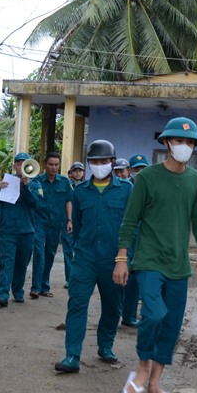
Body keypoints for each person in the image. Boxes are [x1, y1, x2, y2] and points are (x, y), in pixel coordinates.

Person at [114, 117, 197, 393]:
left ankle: (154, 386)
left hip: (178, 265)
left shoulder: (195, 181)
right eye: (179, 141)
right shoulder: (147, 178)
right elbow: (130, 221)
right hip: (148, 261)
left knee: (171, 324)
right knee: (155, 315)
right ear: (166, 143)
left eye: (189, 142)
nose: (184, 146)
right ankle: (141, 370)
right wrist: (122, 258)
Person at [55, 140, 133, 373]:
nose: (99, 165)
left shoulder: (127, 190)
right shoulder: (80, 192)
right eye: (94, 162)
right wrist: (82, 247)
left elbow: (132, 225)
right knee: (77, 304)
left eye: (103, 161)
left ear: (112, 162)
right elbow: (77, 225)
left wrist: (125, 258)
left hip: (114, 259)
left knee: (112, 306)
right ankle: (72, 356)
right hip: (86, 258)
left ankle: (105, 345)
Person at [0, 152, 43, 307]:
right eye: (18, 163)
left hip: (26, 231)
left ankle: (18, 290)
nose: (21, 166)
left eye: (24, 163)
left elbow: (36, 204)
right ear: (14, 165)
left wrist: (26, 187)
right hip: (8, 230)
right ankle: (2, 295)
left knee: (22, 263)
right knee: (7, 262)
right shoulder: (7, 181)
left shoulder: (35, 184)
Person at [29, 152, 73, 299]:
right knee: (39, 254)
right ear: (44, 165)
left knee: (50, 254)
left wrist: (69, 220)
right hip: (39, 223)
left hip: (56, 224)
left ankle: (44, 286)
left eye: (56, 164)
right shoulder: (37, 181)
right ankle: (35, 287)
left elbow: (68, 201)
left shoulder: (65, 182)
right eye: (51, 164)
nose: (54, 167)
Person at [120, 154, 150, 327]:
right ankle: (120, 312)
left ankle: (130, 315)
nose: (140, 172)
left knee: (138, 279)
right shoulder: (125, 188)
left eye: (143, 169)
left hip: (145, 239)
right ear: (130, 170)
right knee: (124, 278)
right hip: (127, 238)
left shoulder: (152, 188)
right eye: (136, 169)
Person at [61, 161, 85, 289]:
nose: (77, 173)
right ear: (70, 173)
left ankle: (80, 277)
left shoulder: (87, 187)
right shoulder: (66, 185)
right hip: (68, 222)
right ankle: (69, 278)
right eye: (75, 170)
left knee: (81, 251)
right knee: (68, 251)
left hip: (82, 223)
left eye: (80, 170)